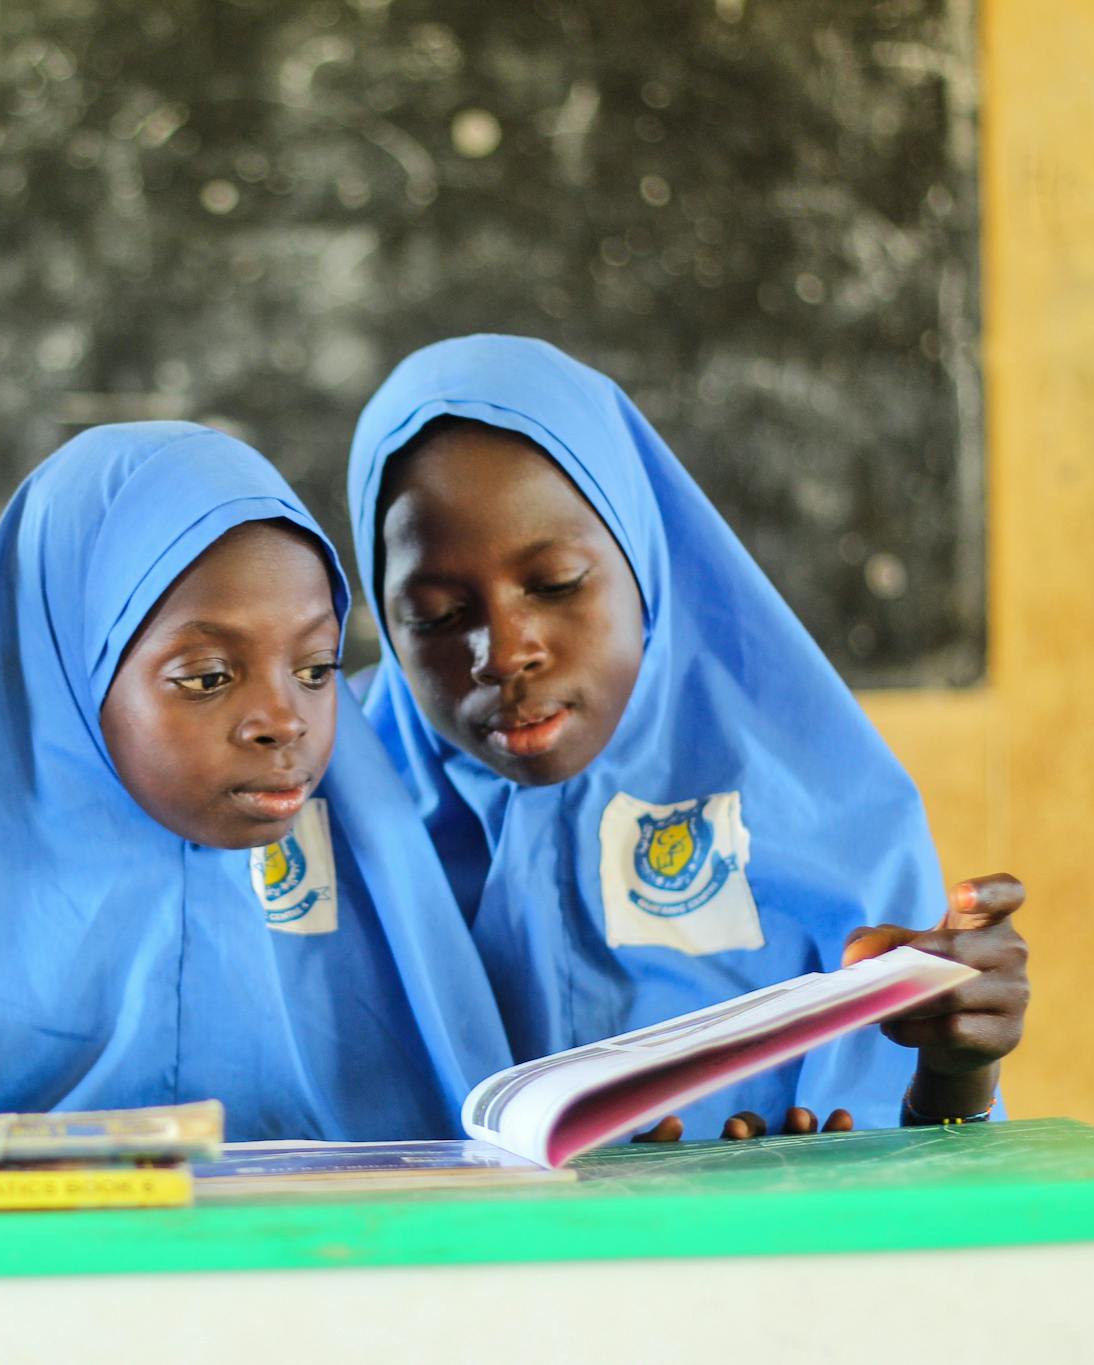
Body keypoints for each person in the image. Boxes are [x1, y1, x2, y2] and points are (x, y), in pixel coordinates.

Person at [345, 335, 1028, 1140]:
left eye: (557, 583)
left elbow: (924, 1197)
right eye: (435, 615)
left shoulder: (824, 804)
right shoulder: (322, 820)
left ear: (644, 557)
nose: (505, 653)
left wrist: (957, 1074)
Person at [0, 422, 511, 1139]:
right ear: (68, 674)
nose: (285, 721)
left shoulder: (379, 918)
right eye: (208, 676)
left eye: (315, 669)